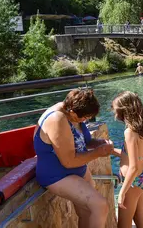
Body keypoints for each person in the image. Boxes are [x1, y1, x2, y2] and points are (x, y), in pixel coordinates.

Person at [34, 88, 114, 228]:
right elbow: (68, 162)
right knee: (100, 205)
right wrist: (98, 153)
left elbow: (84, 142)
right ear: (71, 110)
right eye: (84, 117)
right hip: (57, 175)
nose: (85, 120)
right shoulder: (57, 119)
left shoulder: (73, 112)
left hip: (78, 170)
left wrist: (99, 143)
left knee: (87, 212)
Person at [112, 91, 143, 228]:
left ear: (124, 110)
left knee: (123, 225)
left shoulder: (130, 132)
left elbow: (133, 166)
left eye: (116, 110)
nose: (114, 114)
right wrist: (111, 150)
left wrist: (122, 192)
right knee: (140, 220)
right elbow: (137, 156)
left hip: (133, 181)